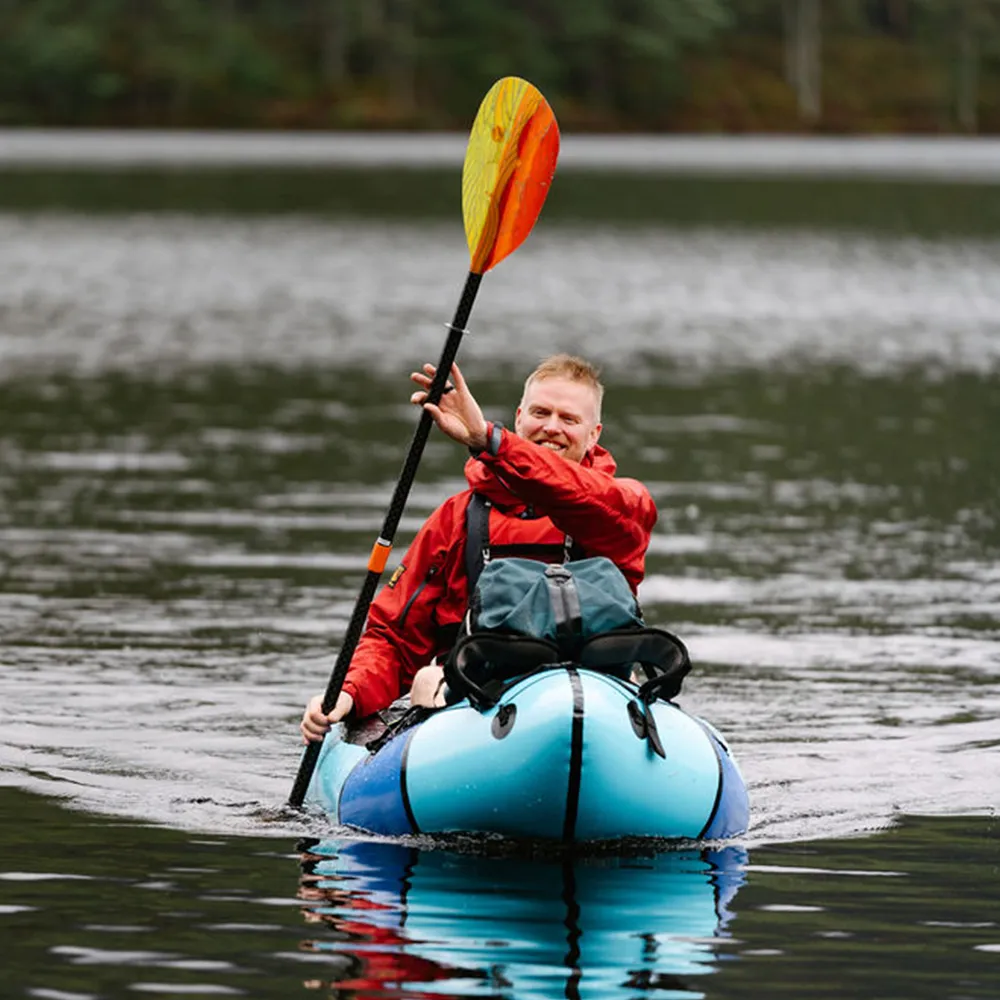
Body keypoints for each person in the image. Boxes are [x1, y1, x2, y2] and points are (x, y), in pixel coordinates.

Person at [300, 354, 657, 743]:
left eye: (568, 419)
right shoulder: (455, 519)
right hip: (476, 703)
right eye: (541, 413)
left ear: (594, 434)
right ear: (520, 417)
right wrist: (349, 693)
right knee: (427, 678)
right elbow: (395, 639)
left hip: (593, 700)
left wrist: (490, 441)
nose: (551, 428)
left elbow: (575, 492)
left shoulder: (623, 506)